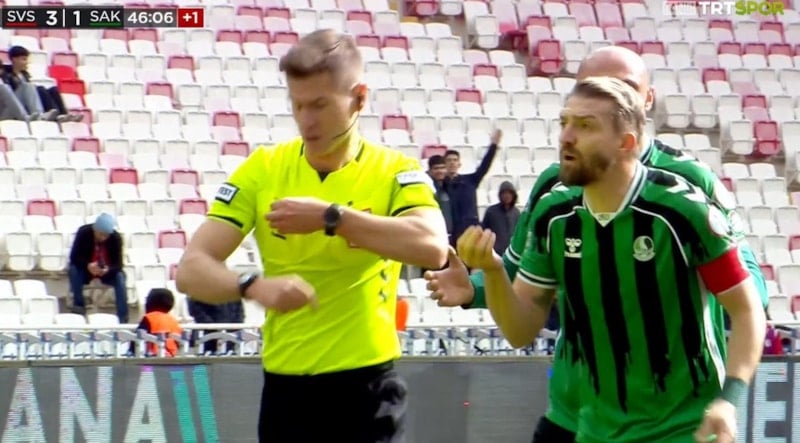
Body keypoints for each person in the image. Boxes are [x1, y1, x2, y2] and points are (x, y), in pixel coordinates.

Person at [425, 45, 769, 443]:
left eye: (617, 87)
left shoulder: (689, 195)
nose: (568, 135)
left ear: (644, 103)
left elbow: (748, 295)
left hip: (679, 419)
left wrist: (725, 390)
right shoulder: (555, 200)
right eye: (567, 119)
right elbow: (524, 294)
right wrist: (481, 282)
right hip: (580, 411)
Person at [175, 29, 449, 443]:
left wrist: (332, 218)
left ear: (359, 99)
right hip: (288, 392)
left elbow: (431, 246)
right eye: (297, 105)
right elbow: (191, 269)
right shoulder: (264, 168)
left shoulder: (394, 170)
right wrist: (252, 285)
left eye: (320, 105)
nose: (306, 119)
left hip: (368, 390)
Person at [68, 213, 128, 323]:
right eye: (100, 234)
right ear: (95, 229)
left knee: (120, 277)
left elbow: (118, 264)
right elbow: (74, 257)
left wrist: (108, 269)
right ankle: (79, 307)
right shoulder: (84, 233)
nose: (103, 238)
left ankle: (123, 316)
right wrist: (88, 265)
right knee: (74, 271)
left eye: (106, 235)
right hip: (86, 269)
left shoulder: (115, 238)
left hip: (106, 272)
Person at [444, 131, 501, 245]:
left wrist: (493, 146)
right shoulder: (441, 185)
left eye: (455, 160)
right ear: (444, 164)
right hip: (450, 233)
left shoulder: (470, 180)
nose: (452, 163)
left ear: (459, 164)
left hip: (470, 231)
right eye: (449, 160)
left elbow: (485, 165)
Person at [1, 46, 82, 122]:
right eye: (23, 59)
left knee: (50, 90)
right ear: (14, 59)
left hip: (22, 103)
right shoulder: (5, 73)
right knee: (30, 86)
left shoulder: (25, 75)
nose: (27, 62)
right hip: (13, 106)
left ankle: (61, 114)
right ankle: (39, 114)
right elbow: (9, 95)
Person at [129, 288, 182, 357]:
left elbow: (137, 338)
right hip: (171, 357)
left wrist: (131, 351)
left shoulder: (149, 318)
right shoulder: (173, 321)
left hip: (152, 358)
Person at [481, 180, 519, 254]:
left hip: (511, 254)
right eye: (504, 193)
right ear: (500, 195)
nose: (507, 195)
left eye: (510, 193)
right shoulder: (491, 212)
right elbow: (484, 232)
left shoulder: (516, 213)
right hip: (494, 254)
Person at [427, 154, 454, 243]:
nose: (440, 171)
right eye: (436, 168)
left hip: (451, 235)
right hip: (434, 234)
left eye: (442, 168)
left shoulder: (451, 186)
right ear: (430, 170)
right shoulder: (427, 187)